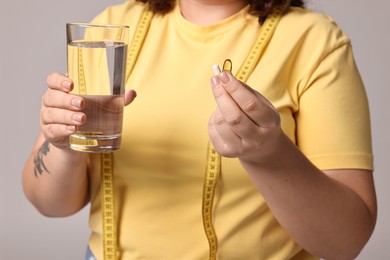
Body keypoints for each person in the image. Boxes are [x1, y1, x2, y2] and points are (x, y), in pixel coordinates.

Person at [22, 0, 377, 259]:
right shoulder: (112, 27)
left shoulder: (314, 41)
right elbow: (49, 204)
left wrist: (270, 154)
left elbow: (344, 242)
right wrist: (63, 144)